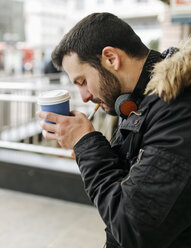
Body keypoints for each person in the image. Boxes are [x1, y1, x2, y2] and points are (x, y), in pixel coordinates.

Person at [37, 12, 191, 248]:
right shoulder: (140, 101)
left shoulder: (178, 108)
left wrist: (86, 143)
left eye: (82, 81)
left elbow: (133, 228)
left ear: (110, 58)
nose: (85, 96)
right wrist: (89, 149)